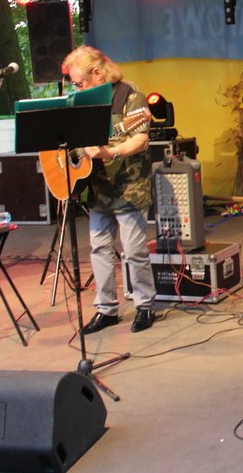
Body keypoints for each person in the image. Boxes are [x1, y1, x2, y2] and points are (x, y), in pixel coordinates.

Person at [61, 46, 157, 334]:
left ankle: (145, 306)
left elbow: (140, 140)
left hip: (129, 185)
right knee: (99, 247)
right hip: (98, 186)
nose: (77, 88)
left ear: (97, 73)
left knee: (133, 250)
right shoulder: (82, 102)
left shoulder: (129, 94)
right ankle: (107, 309)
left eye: (80, 83)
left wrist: (110, 152)